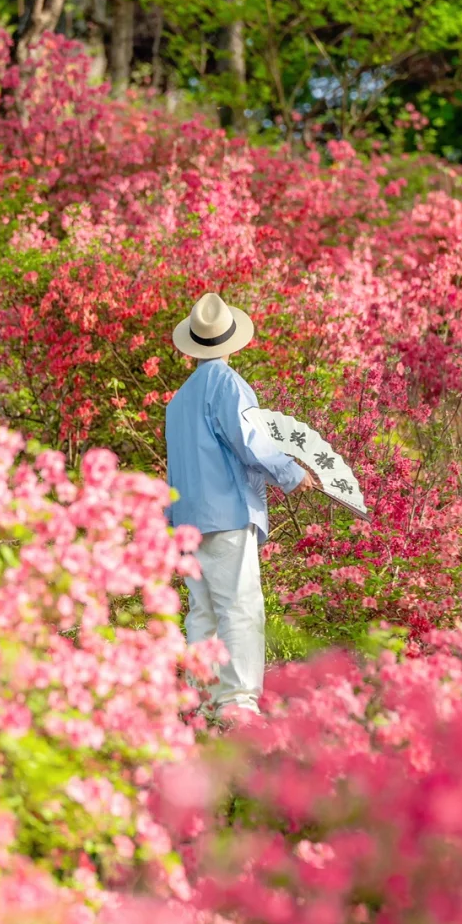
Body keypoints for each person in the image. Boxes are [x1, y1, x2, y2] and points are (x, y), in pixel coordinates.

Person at [165, 291, 319, 717]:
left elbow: (174, 470)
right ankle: (236, 703)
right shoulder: (228, 384)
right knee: (239, 605)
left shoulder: (177, 403)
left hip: (188, 519)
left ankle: (201, 698)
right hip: (226, 514)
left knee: (203, 612)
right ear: (232, 342)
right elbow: (251, 442)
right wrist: (292, 473)